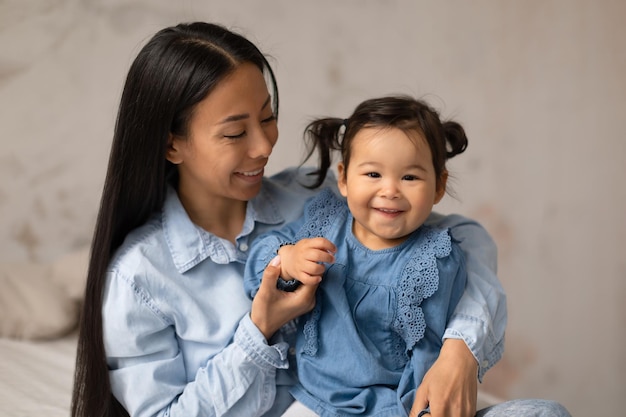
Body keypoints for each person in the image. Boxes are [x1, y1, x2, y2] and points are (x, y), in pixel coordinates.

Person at [68, 21, 561, 417]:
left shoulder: (317, 197)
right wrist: (258, 329)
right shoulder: (139, 278)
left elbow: (460, 238)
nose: (264, 146)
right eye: (235, 132)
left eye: (267, 116)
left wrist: (461, 347)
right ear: (172, 143)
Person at [244, 96, 571, 417]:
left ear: (439, 186)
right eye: (373, 174)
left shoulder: (434, 260)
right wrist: (287, 259)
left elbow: (428, 356)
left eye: (409, 177)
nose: (390, 190)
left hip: (395, 407)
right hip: (318, 400)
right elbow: (259, 268)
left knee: (545, 413)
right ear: (343, 178)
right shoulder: (324, 222)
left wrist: (425, 409)